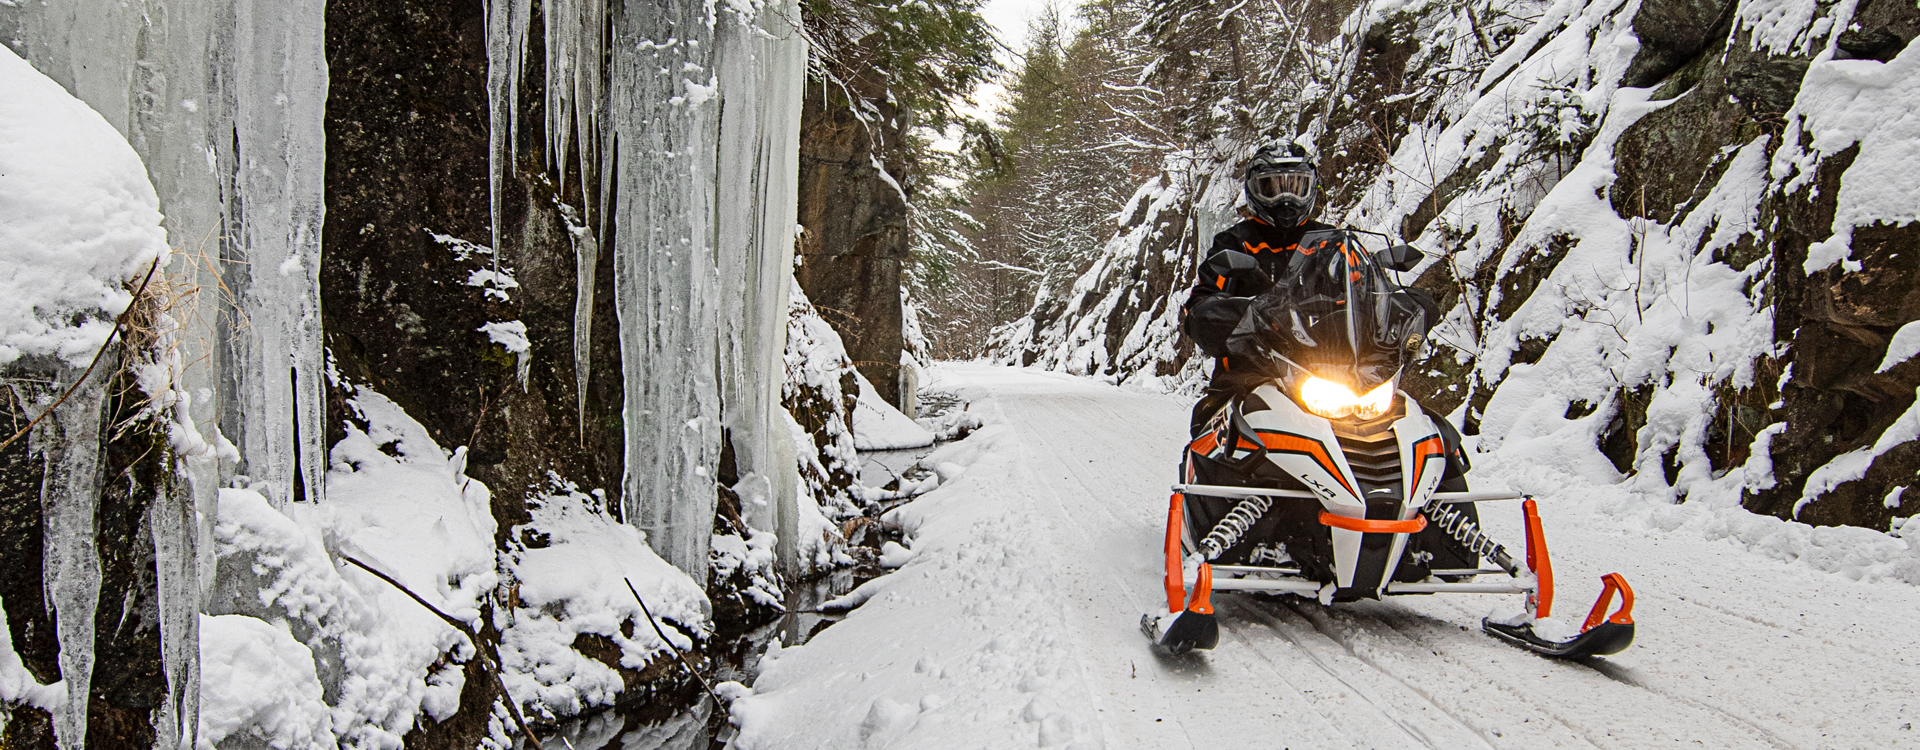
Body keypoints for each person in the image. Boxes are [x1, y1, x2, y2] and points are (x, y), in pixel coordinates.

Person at [1182, 139, 1438, 436]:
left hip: (1332, 370)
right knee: (1212, 425)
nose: (1285, 198)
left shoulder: (1332, 242)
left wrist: (1405, 306)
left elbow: (1366, 291)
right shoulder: (1235, 242)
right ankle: (1206, 480)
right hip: (1252, 371)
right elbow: (1201, 302)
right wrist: (1221, 315)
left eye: (1296, 186)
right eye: (1273, 187)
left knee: (1431, 431)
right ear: (1254, 191)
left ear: (1312, 189)